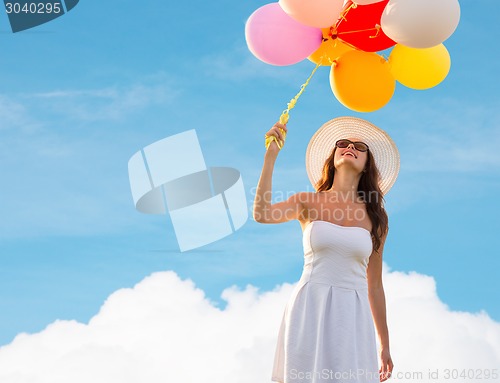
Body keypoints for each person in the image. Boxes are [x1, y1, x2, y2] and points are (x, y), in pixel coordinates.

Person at [253, 117, 399, 383]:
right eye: (342, 143)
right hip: (310, 305)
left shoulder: (376, 218)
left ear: (368, 164)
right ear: (332, 157)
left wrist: (384, 343)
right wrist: (270, 157)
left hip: (353, 314)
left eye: (359, 146)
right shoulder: (306, 201)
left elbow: (374, 286)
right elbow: (262, 214)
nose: (349, 147)